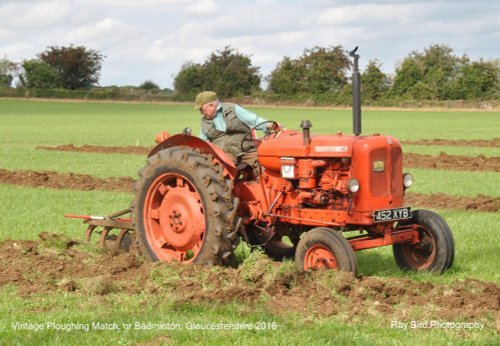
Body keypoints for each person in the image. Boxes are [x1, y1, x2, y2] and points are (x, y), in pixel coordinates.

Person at [195, 90, 274, 166]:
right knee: (224, 171)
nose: (201, 113)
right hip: (225, 154)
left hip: (246, 150)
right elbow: (203, 142)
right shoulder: (204, 122)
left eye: (201, 109)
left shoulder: (233, 109)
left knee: (265, 164)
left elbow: (253, 119)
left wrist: (268, 125)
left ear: (211, 105)